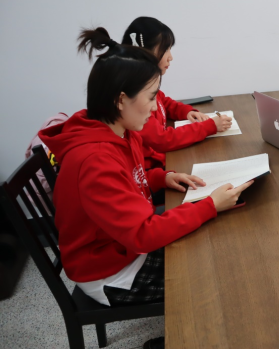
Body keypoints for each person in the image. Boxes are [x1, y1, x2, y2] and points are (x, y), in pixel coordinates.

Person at [39, 28, 253, 349]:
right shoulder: (95, 160)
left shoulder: (119, 130)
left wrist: (159, 179)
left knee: (218, 244)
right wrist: (208, 205)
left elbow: (128, 185)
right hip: (111, 273)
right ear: (120, 100)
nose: (156, 109)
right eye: (151, 97)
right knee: (217, 275)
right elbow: (143, 234)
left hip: (122, 245)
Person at [121, 17, 232, 171]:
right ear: (146, 52)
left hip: (163, 164)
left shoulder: (144, 86)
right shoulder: (135, 98)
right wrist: (209, 126)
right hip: (152, 171)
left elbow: (164, 102)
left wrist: (186, 112)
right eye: (165, 49)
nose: (170, 57)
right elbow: (162, 139)